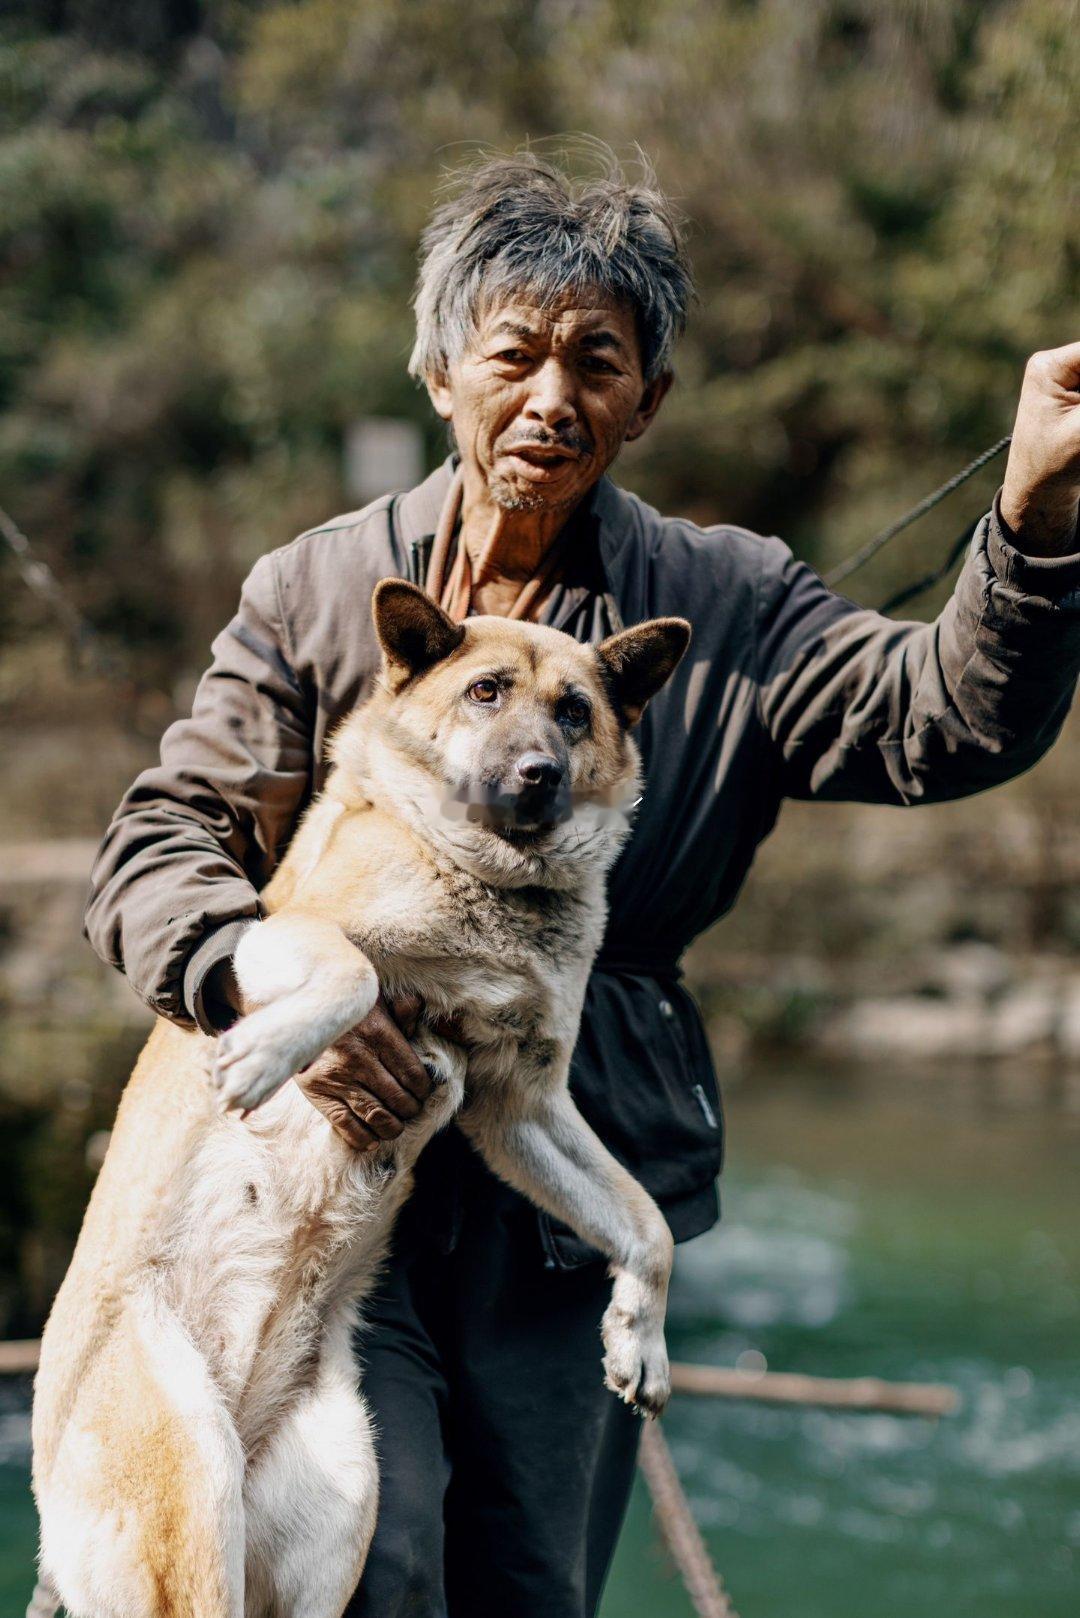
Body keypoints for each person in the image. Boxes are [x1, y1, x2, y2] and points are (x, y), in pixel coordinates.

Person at [84, 148, 1080, 1618]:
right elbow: (163, 838)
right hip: (334, 1167)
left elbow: (942, 717)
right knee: (372, 1557)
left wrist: (1040, 524)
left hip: (574, 1166)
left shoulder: (727, 600)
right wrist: (259, 967)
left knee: (532, 1587)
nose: (553, 395)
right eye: (516, 354)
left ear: (646, 402)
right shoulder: (315, 590)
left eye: (597, 363)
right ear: (440, 373)